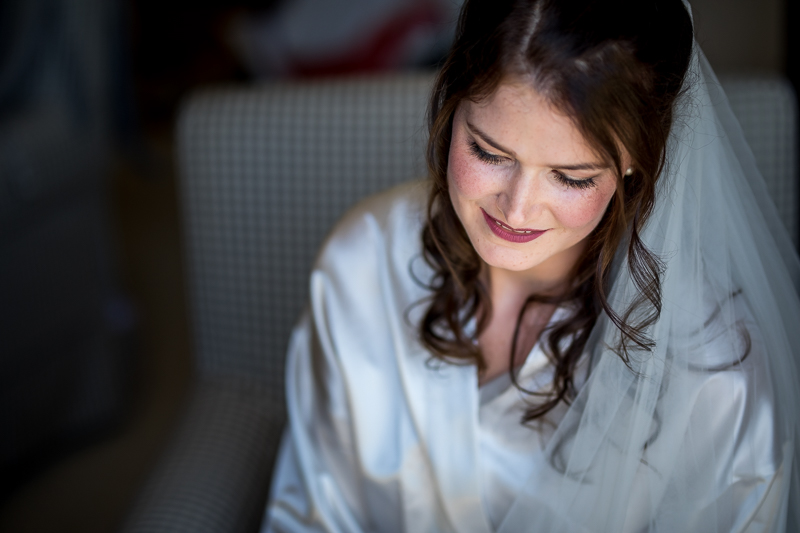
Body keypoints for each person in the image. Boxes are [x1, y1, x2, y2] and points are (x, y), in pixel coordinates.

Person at [263, 0, 800, 531]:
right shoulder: (363, 261)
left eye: (571, 177)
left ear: (638, 159)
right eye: (488, 153)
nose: (516, 210)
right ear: (451, 104)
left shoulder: (714, 375)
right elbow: (314, 514)